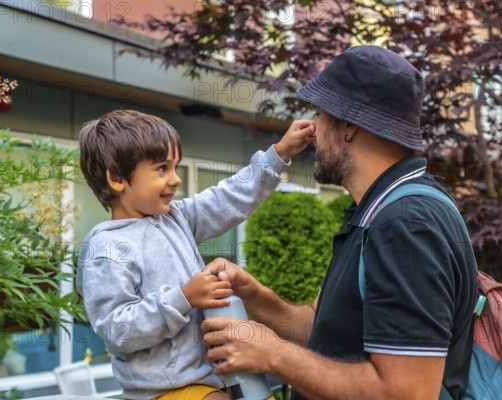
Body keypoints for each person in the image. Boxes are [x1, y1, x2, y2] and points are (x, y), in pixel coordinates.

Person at [201, 45, 478, 400]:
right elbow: (323, 331)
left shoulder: (406, 224)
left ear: (348, 127)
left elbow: (406, 392)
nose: (313, 127)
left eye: (320, 113)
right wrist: (255, 297)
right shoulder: (376, 212)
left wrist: (273, 354)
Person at [75, 109, 315, 400]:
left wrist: (278, 154)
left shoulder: (174, 218)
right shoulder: (107, 248)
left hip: (213, 376)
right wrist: (184, 297)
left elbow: (227, 197)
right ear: (116, 178)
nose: (176, 179)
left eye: (175, 167)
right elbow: (117, 329)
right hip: (164, 389)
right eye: (162, 168)